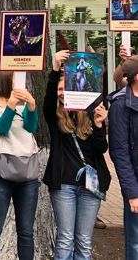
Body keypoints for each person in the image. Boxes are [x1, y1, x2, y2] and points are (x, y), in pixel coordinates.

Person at [43, 50, 110, 260]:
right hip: (64, 185)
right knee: (65, 238)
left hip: (90, 187)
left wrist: (98, 125)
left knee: (84, 239)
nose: (62, 93)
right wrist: (55, 67)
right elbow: (49, 98)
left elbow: (101, 149)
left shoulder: (90, 114)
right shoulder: (55, 117)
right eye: (60, 89)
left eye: (66, 88)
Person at [0, 71, 39, 260]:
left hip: (27, 173)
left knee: (26, 231)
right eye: (15, 80)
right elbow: (1, 128)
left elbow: (31, 128)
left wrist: (32, 106)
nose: (19, 84)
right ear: (4, 82)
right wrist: (11, 105)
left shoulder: (22, 105)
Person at [109, 54, 138, 260]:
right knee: (135, 241)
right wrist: (132, 193)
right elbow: (120, 153)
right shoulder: (120, 105)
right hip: (135, 183)